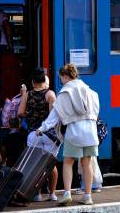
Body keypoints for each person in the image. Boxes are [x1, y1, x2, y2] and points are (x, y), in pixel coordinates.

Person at [37, 64, 100, 205]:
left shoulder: (65, 92)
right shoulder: (90, 91)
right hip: (91, 131)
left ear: (65, 76)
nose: (61, 81)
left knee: (68, 161)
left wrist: (42, 128)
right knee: (86, 163)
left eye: (61, 78)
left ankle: (67, 193)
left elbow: (54, 115)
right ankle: (88, 196)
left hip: (74, 131)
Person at [18, 68, 58, 201]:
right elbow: (54, 114)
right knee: (51, 164)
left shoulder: (27, 94)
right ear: (44, 80)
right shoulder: (50, 94)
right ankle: (52, 194)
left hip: (33, 134)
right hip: (49, 134)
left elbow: (20, 113)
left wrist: (31, 114)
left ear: (33, 82)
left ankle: (38, 194)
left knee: (35, 164)